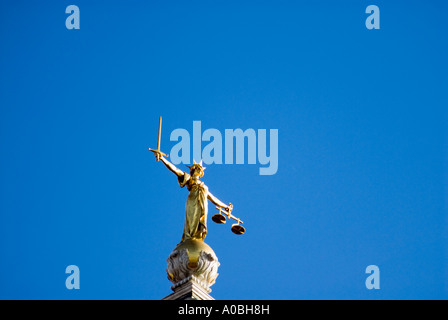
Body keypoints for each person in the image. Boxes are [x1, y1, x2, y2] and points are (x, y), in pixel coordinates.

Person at [154, 152, 232, 242]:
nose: (201, 170)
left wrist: (226, 206)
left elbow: (213, 199)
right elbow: (175, 169)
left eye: (201, 169)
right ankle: (190, 238)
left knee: (201, 220)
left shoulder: (204, 186)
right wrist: (162, 159)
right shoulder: (189, 178)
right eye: (199, 168)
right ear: (194, 169)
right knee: (192, 220)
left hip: (203, 204)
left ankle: (197, 238)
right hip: (193, 201)